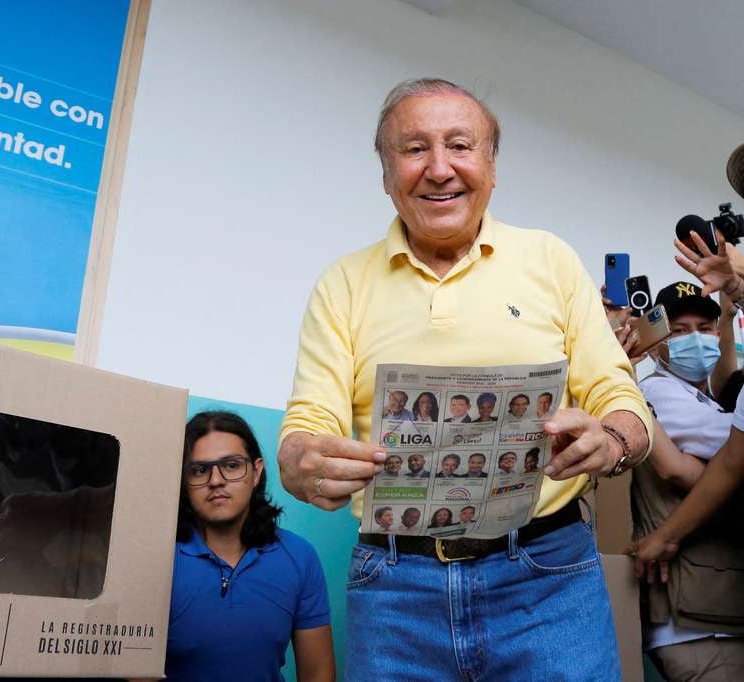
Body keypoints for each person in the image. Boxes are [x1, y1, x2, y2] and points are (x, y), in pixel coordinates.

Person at [277, 77, 650, 679]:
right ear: (385, 172)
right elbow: (309, 419)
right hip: (395, 589)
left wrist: (612, 440)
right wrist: (300, 458)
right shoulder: (341, 283)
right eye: (414, 148)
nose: (439, 168)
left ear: (492, 166)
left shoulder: (550, 259)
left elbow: (618, 394)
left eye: (460, 145)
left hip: (548, 579)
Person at [622, 253, 744, 676]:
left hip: (715, 610)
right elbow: (729, 450)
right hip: (696, 625)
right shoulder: (660, 392)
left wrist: (727, 319)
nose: (697, 339)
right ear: (655, 340)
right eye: (679, 331)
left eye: (705, 328)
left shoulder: (701, 395)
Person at [163, 411, 334, 682]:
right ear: (184, 483)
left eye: (231, 465)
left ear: (256, 472)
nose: (215, 480)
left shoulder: (299, 558)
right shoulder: (157, 558)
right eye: (199, 470)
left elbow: (319, 674)